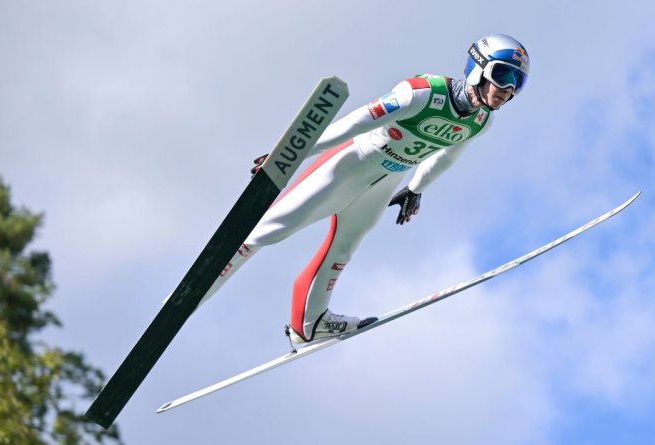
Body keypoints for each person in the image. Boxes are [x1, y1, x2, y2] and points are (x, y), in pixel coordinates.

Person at [203, 33, 529, 344]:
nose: (508, 89)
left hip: (386, 180)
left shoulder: (481, 122)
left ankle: (309, 325)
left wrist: (416, 189)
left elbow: (448, 155)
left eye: (518, 82)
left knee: (344, 246)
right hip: (350, 164)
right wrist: (295, 151)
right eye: (502, 75)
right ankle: (194, 293)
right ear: (477, 67)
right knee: (267, 231)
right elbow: (354, 123)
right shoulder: (422, 93)